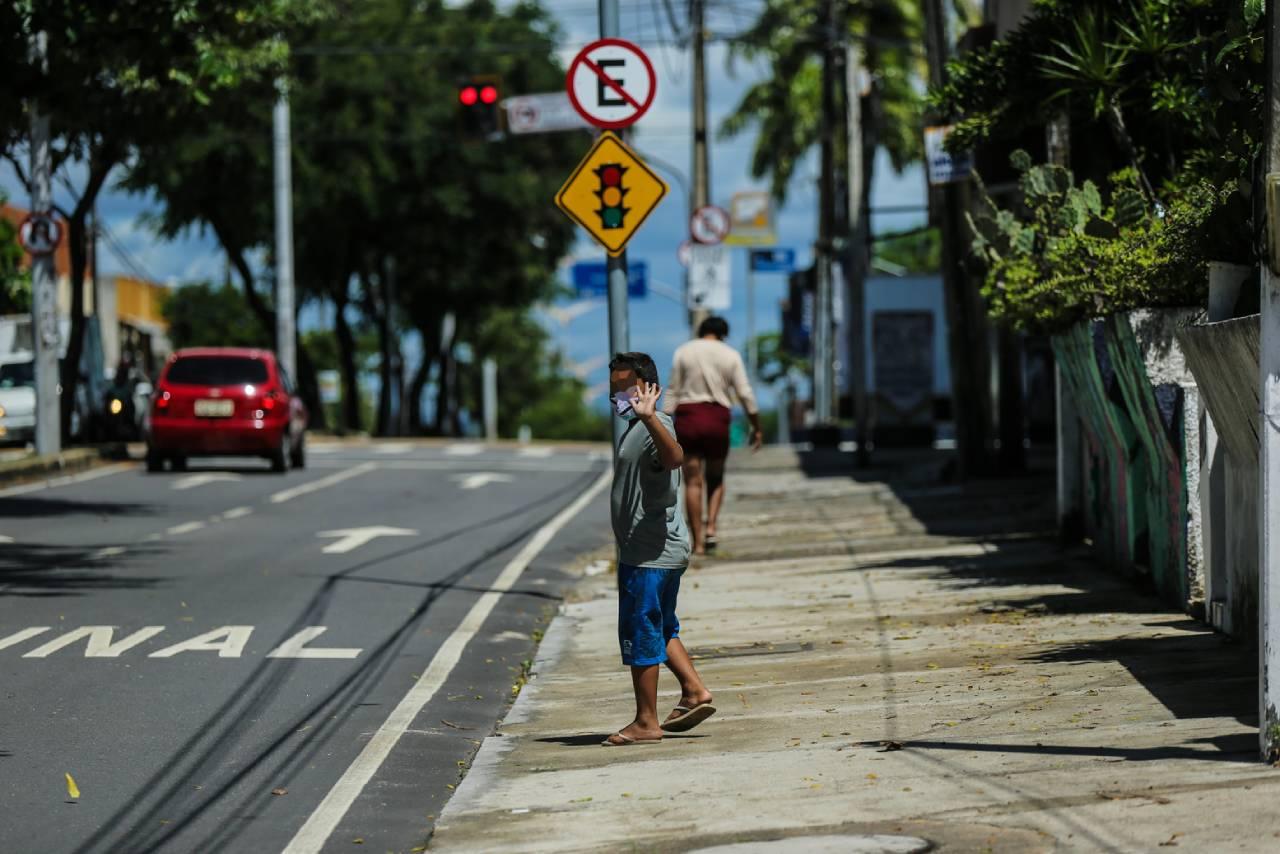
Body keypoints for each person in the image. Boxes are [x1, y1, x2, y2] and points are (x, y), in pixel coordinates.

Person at [603, 352, 715, 746]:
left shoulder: (655, 425)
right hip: (655, 550)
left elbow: (674, 458)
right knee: (661, 625)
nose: (618, 394)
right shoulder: (637, 426)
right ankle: (694, 691)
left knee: (641, 629)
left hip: (650, 553)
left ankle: (646, 722)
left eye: (625, 387)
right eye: (614, 387)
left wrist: (650, 417)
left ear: (649, 388)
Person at [664, 316, 762, 555]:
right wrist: (756, 426)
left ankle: (696, 543)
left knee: (693, 482)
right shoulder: (730, 355)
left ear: (701, 331)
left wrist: (663, 424)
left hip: (688, 418)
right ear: (723, 334)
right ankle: (712, 527)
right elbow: (745, 393)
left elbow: (673, 391)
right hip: (717, 418)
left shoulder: (683, 352)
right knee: (716, 477)